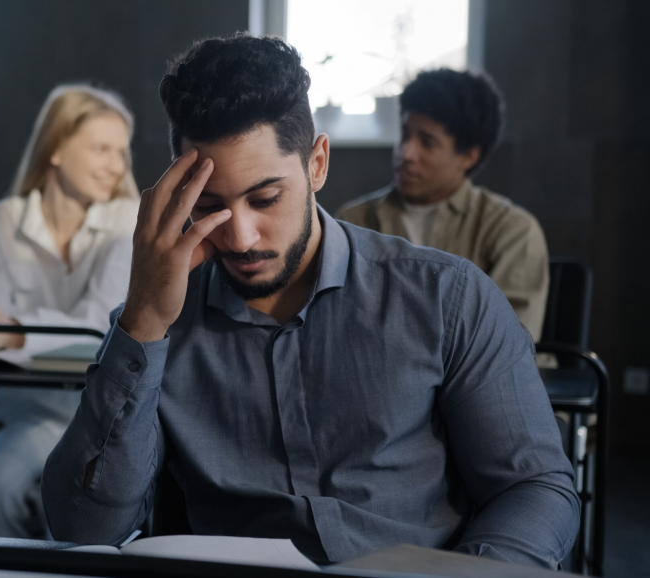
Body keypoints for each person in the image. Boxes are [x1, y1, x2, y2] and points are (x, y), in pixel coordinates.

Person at [42, 35, 579, 568]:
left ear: (317, 164)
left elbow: (532, 488)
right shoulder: (156, 326)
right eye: (210, 207)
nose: (241, 236)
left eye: (265, 198)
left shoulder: (448, 299)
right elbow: (84, 530)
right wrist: (142, 323)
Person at [0, 85, 140, 538]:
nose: (117, 166)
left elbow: (101, 322)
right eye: (101, 149)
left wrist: (17, 332)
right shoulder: (4, 219)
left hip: (109, 419)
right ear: (56, 149)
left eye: (122, 152)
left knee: (78, 512)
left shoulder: (128, 217)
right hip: (36, 414)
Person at [337, 69, 549, 340]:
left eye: (427, 142)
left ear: (468, 156)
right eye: (404, 135)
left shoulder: (511, 231)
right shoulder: (353, 221)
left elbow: (510, 345)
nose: (406, 153)